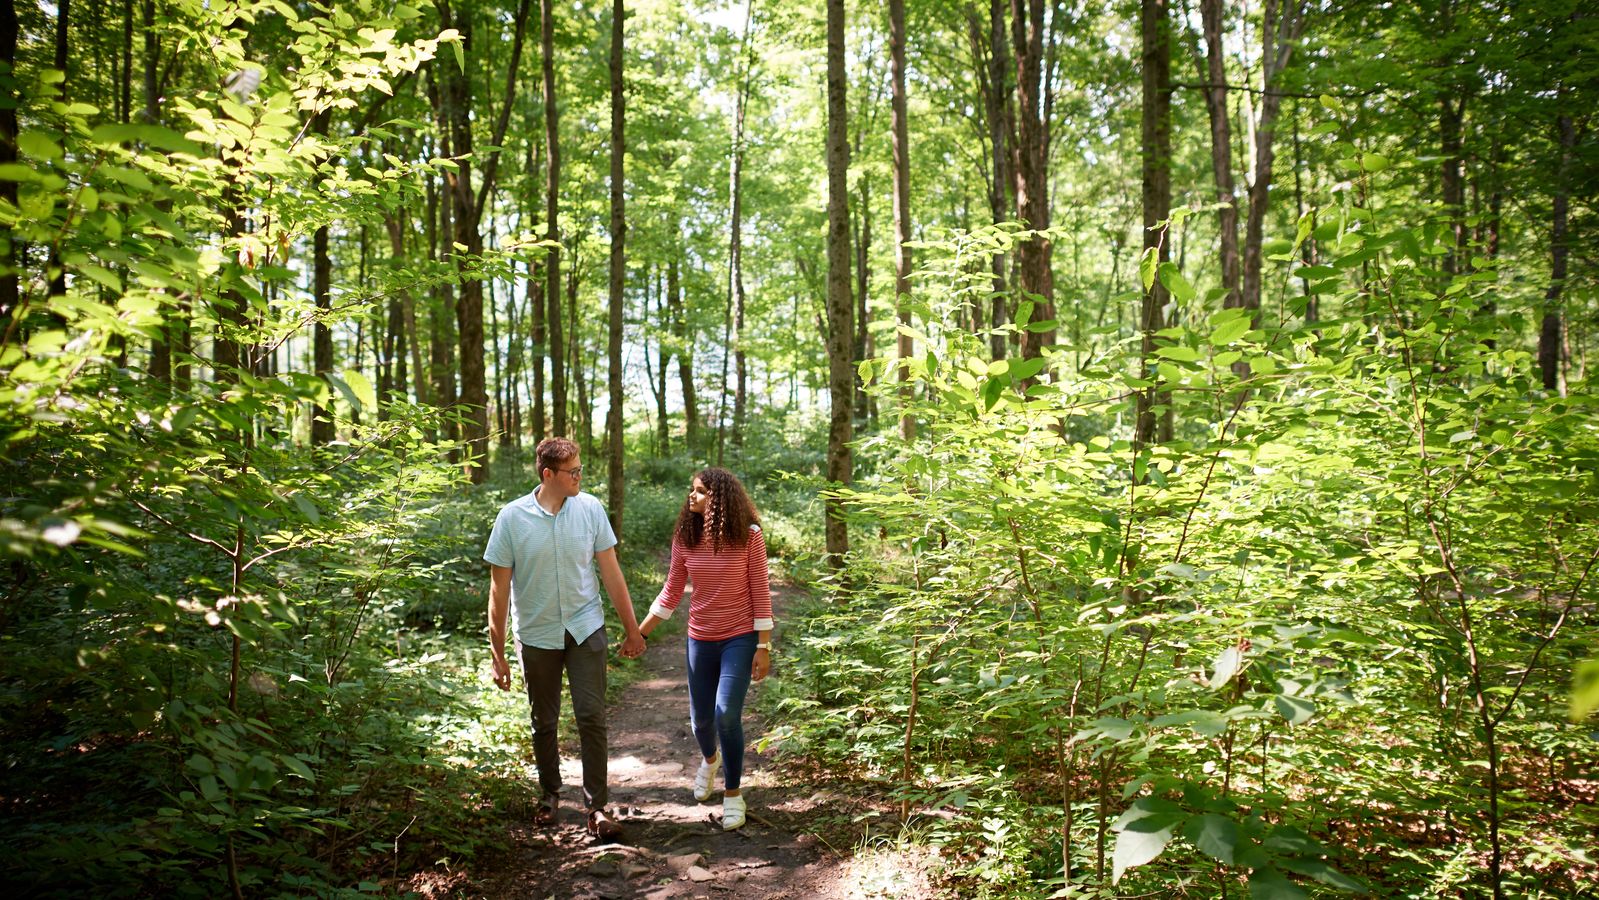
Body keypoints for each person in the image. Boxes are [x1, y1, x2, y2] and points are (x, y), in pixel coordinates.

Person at [485, 437, 647, 840]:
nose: (579, 477)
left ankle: (597, 807)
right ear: (548, 474)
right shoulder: (511, 519)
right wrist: (497, 652)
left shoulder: (590, 509)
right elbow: (499, 591)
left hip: (585, 627)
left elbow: (611, 573)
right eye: (572, 472)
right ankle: (550, 794)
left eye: (579, 470)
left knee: (591, 716)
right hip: (537, 634)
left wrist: (632, 629)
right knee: (544, 720)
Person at [638, 467, 773, 831]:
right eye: (691, 490)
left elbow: (761, 593)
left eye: (699, 491)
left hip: (739, 637)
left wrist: (763, 645)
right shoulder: (686, 536)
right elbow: (670, 592)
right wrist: (641, 634)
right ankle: (709, 760)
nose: (691, 496)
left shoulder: (749, 536)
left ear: (719, 498)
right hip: (700, 637)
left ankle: (733, 793)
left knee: (726, 712)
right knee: (701, 720)